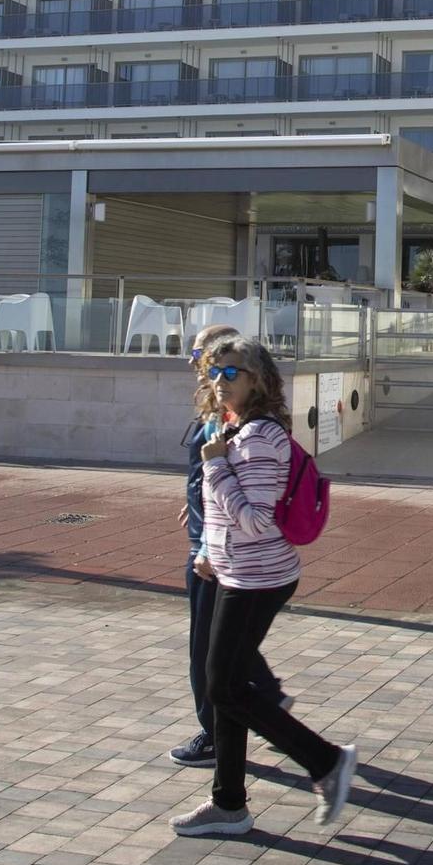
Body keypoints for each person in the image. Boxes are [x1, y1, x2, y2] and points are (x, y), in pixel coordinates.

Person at [170, 337, 358, 837]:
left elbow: (255, 521)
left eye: (230, 373)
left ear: (256, 378)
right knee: (228, 688)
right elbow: (227, 513)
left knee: (223, 686)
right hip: (238, 572)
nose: (218, 382)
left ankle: (326, 762)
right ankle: (229, 804)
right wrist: (209, 552)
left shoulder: (257, 438)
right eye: (214, 372)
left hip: (258, 579)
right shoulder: (238, 429)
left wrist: (213, 464)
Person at [169, 323, 284, 768]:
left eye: (223, 367)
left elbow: (252, 508)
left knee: (212, 663)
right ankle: (262, 718)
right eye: (204, 363)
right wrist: (198, 501)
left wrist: (207, 540)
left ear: (252, 374)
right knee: (224, 657)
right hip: (211, 544)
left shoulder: (249, 426)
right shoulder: (221, 409)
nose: (209, 373)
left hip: (219, 554)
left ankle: (224, 736)